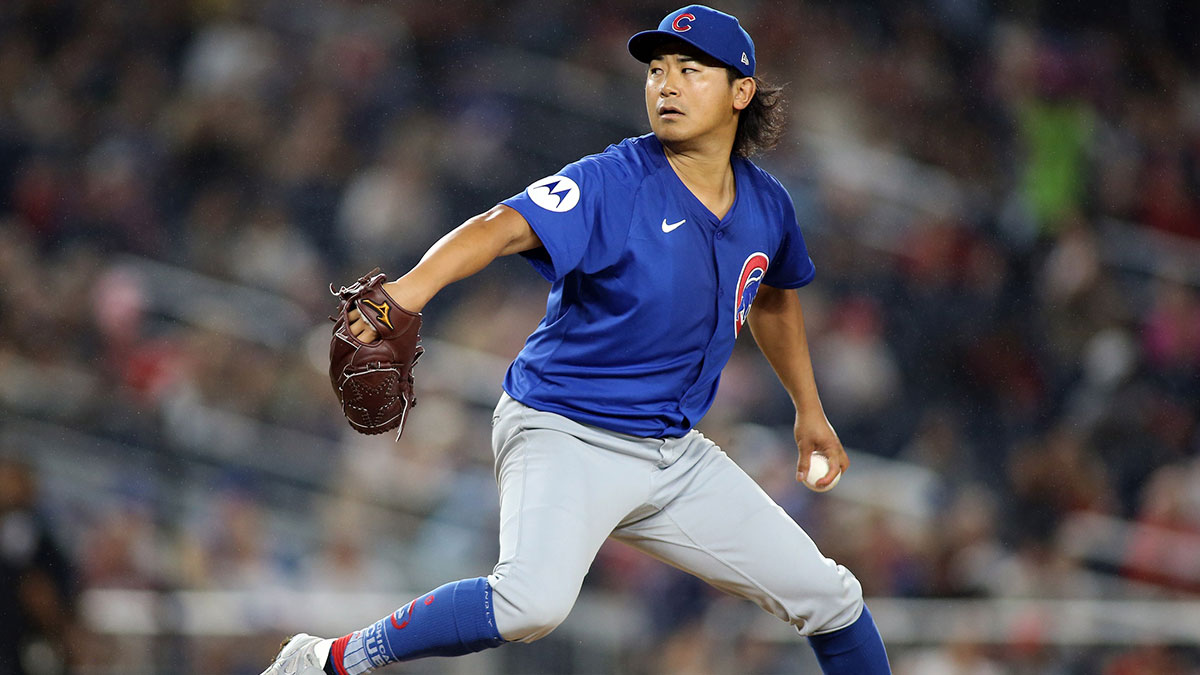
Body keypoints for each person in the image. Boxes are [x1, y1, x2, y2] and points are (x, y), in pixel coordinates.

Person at [263, 5, 891, 674]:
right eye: (656, 70)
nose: (666, 85)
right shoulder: (616, 179)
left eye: (690, 70)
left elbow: (770, 295)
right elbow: (500, 225)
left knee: (832, 598)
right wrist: (408, 292)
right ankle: (327, 661)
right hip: (562, 428)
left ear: (741, 92)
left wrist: (809, 408)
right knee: (530, 604)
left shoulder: (767, 205)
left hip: (672, 453)